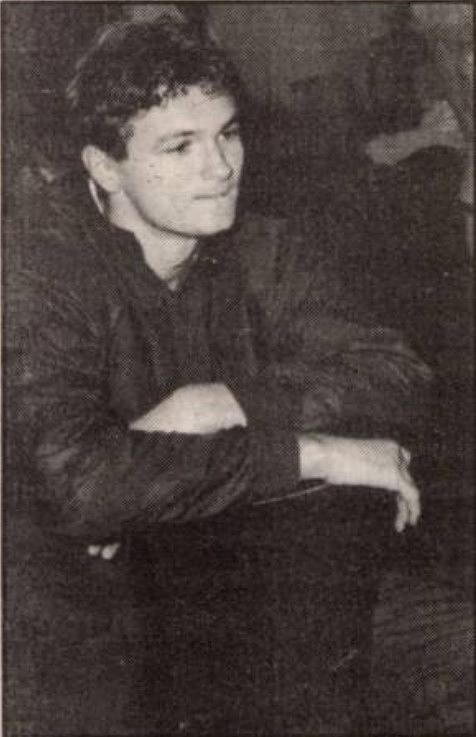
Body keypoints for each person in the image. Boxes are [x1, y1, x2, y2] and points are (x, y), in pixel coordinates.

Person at [5, 17, 430, 736]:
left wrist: (220, 402)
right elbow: (85, 487)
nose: (221, 167)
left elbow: (398, 372)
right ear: (105, 166)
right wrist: (309, 451)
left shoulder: (264, 248)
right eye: (180, 146)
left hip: (267, 576)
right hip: (91, 623)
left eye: (227, 134)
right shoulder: (37, 272)